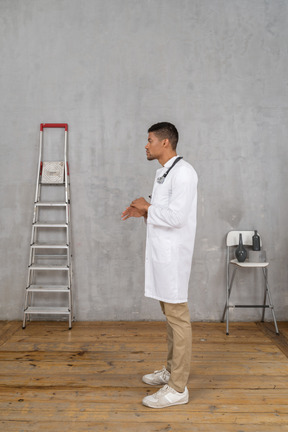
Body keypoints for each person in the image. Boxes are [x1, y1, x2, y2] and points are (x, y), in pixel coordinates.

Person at [121, 122, 198, 409]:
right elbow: (162, 213)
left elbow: (177, 217)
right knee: (169, 314)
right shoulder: (164, 173)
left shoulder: (184, 173)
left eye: (150, 139)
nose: (146, 144)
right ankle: (170, 370)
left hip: (174, 257)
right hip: (162, 255)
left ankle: (178, 387)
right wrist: (143, 210)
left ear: (165, 143)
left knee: (178, 317)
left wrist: (147, 207)